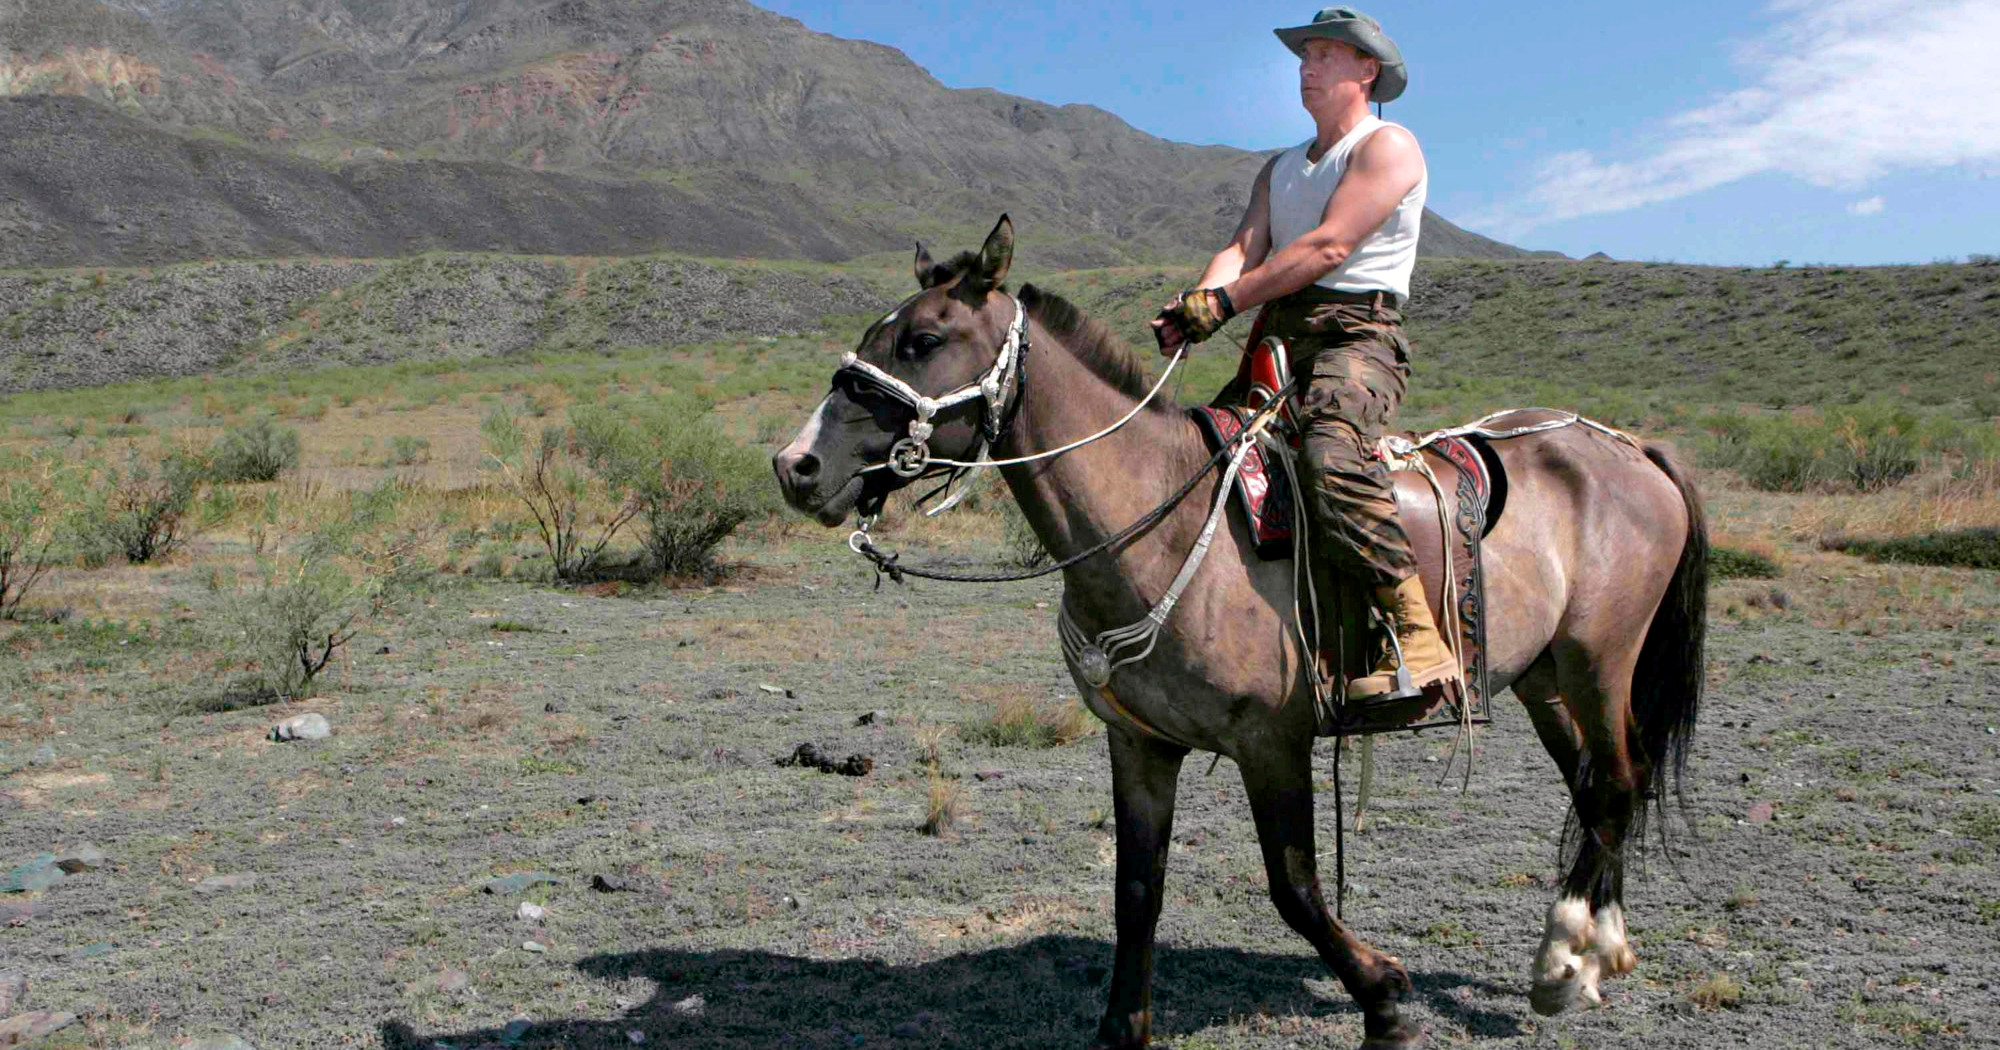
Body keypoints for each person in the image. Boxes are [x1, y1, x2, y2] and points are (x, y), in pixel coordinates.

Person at [1151, 6, 1457, 703]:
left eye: (1325, 55)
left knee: (1331, 456)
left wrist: (1227, 305)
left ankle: (1420, 638)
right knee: (1198, 461)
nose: (1307, 67)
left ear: (1366, 70)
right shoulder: (1281, 167)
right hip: (1280, 340)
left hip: (1358, 337)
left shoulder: (1389, 147)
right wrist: (1197, 302)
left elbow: (1328, 248)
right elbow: (1242, 248)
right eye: (1304, 55)